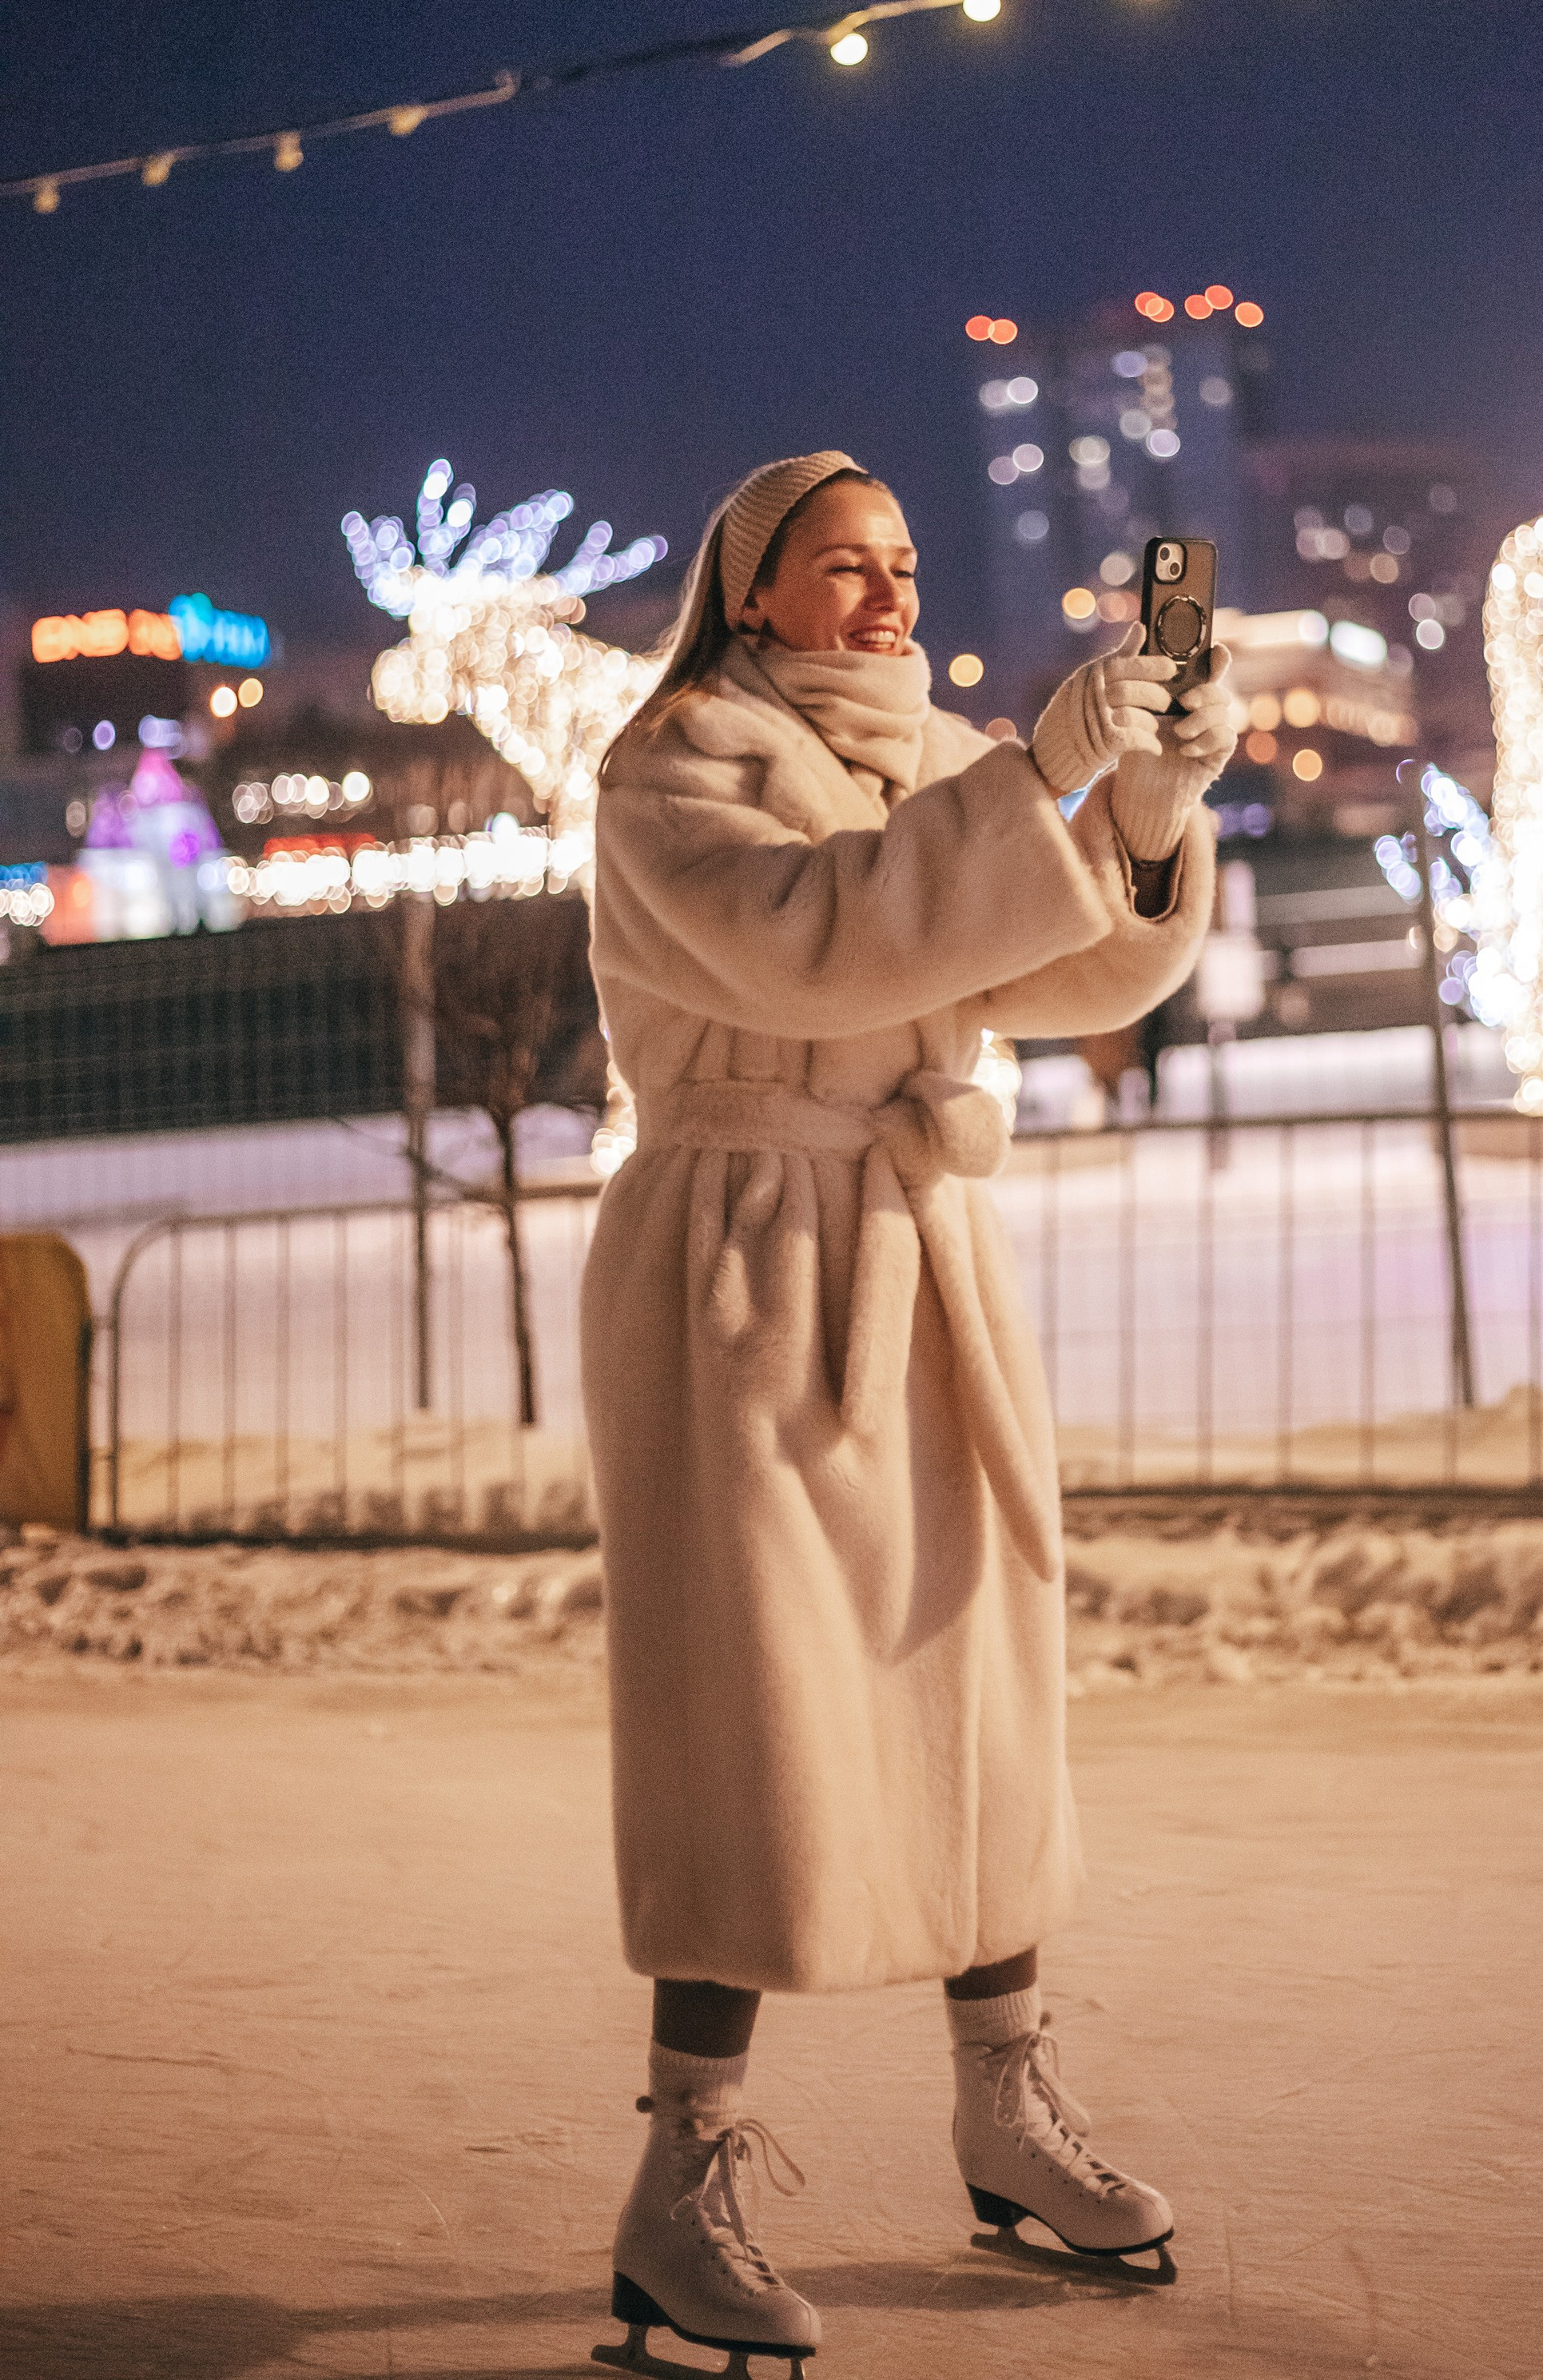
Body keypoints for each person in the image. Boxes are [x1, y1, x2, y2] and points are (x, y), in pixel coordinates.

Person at [580, 450, 1235, 2371]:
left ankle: (1001, 2102)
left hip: (918, 1249)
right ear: (749, 588)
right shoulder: (671, 764)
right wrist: (1031, 782)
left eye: (901, 563)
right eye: (840, 566)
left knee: (975, 1676)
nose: (883, 593)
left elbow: (1051, 960)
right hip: (741, 1269)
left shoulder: (937, 750)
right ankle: (678, 2176)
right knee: (752, 1705)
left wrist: (1150, 801)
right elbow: (832, 937)